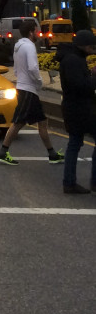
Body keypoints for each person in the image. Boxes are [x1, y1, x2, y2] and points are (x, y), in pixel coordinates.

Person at [0, 19, 64, 165]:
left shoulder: (18, 47)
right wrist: (39, 81)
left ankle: (51, 153)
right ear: (30, 32)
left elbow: (15, 69)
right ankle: (3, 151)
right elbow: (33, 68)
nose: (38, 33)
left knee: (42, 121)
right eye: (36, 30)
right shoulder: (30, 47)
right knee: (18, 122)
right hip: (28, 90)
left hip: (23, 87)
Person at [58, 29, 96, 195]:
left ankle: (71, 182)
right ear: (83, 45)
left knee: (74, 144)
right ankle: (73, 182)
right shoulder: (74, 61)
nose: (93, 48)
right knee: (74, 145)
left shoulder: (73, 58)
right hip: (79, 110)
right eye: (91, 45)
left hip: (76, 108)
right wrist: (94, 77)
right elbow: (81, 86)